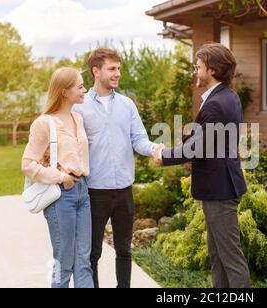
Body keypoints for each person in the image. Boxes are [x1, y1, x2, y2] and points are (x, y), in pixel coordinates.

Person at [153, 43, 251, 288]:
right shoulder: (227, 96)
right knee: (218, 256)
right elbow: (205, 142)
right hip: (219, 186)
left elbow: (198, 147)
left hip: (220, 190)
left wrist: (165, 155)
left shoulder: (218, 102)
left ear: (213, 70)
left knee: (230, 258)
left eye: (198, 67)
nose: (195, 72)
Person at [72, 48, 163, 288]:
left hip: (124, 191)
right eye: (112, 69)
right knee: (92, 254)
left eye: (118, 69)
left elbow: (139, 139)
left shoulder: (127, 105)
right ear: (96, 71)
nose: (117, 74)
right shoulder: (79, 108)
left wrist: (154, 149)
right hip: (93, 192)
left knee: (124, 250)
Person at [22, 67, 93, 288]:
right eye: (80, 86)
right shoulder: (44, 123)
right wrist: (61, 177)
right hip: (61, 196)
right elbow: (27, 164)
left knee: (83, 261)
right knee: (64, 263)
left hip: (83, 191)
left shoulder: (78, 118)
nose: (85, 90)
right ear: (64, 92)